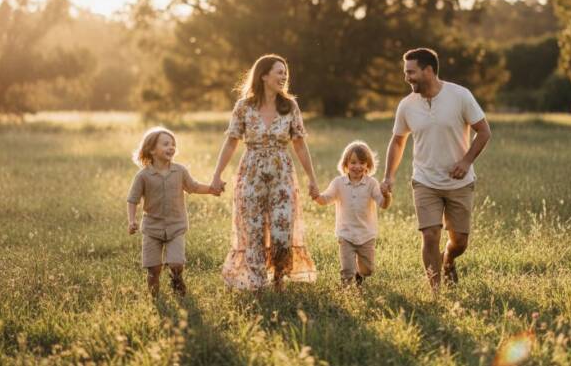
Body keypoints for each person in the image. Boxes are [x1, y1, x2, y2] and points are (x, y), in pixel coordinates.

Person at [381, 48, 492, 291]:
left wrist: (466, 162)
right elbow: (398, 141)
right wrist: (388, 176)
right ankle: (436, 292)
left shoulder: (460, 95)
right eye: (405, 72)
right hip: (424, 181)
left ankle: (449, 259)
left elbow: (484, 132)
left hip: (459, 182)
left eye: (411, 72)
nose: (407, 77)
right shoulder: (407, 105)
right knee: (430, 235)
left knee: (460, 241)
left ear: (428, 70)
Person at [211, 54, 319, 291]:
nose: (284, 76)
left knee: (282, 230)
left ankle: (279, 279)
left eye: (285, 73)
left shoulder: (289, 106)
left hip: (282, 174)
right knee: (254, 230)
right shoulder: (244, 107)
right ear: (263, 75)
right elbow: (231, 141)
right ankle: (257, 283)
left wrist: (312, 179)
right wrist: (217, 175)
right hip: (251, 174)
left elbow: (299, 144)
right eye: (279, 72)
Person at [127, 127, 221, 297]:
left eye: (173, 144)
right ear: (151, 150)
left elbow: (194, 187)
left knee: (176, 264)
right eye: (165, 144)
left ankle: (177, 283)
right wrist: (131, 221)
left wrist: (212, 189)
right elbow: (132, 199)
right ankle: (155, 299)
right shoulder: (143, 176)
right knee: (153, 269)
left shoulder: (180, 171)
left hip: (176, 226)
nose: (171, 147)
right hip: (152, 229)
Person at [313, 141, 391, 288]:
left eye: (362, 163)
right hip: (346, 234)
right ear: (346, 164)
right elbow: (325, 199)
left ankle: (359, 275)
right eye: (353, 162)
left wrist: (387, 196)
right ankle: (347, 291)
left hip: (366, 235)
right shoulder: (338, 183)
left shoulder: (371, 184)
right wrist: (317, 196)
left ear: (368, 165)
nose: (357, 166)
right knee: (347, 270)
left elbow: (383, 204)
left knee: (368, 270)